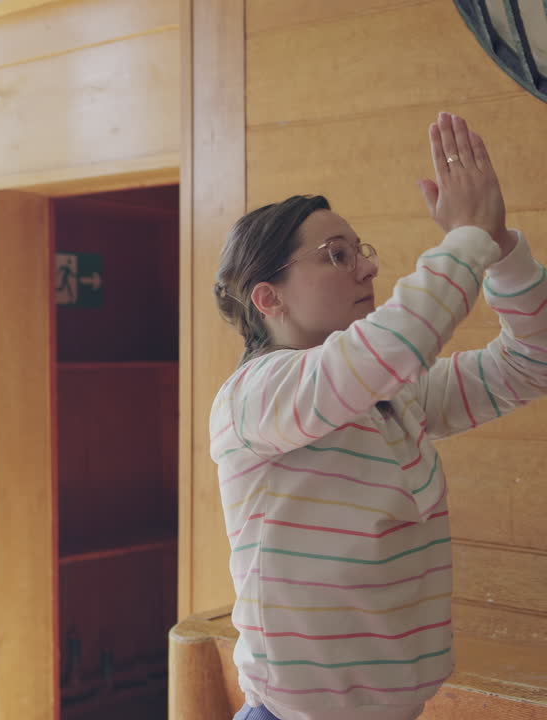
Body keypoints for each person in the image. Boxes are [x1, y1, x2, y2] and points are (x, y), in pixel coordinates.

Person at [209, 112, 547, 720]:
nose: (367, 267)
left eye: (360, 251)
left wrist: (501, 249)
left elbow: (533, 361)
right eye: (336, 256)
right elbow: (392, 346)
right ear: (269, 296)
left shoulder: (392, 395)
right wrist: (465, 237)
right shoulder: (255, 397)